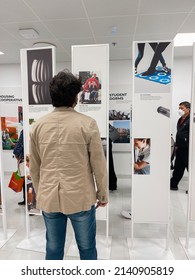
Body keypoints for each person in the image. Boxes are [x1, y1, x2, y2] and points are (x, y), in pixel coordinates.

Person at [29, 69, 108, 260]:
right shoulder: (87, 123)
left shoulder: (38, 125)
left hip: (49, 197)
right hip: (80, 196)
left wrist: (41, 193)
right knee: (87, 248)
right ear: (76, 97)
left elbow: (34, 167)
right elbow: (99, 164)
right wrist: (102, 193)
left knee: (53, 250)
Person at [170, 101, 190, 191]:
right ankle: (173, 185)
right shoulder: (180, 119)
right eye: (179, 108)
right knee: (178, 167)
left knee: (190, 167)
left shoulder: (191, 119)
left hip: (188, 148)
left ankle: (192, 189)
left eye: (182, 108)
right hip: (180, 147)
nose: (180, 110)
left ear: (188, 109)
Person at [13, 129, 25, 205]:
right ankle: (33, 203)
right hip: (36, 160)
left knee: (25, 181)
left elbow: (19, 145)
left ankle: (28, 202)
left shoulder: (24, 131)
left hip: (24, 160)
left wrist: (16, 154)